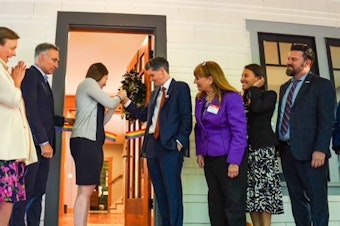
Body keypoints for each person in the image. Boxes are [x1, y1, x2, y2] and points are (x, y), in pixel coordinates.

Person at [121, 57, 192, 226]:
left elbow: (186, 118)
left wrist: (180, 142)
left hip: (170, 147)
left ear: (162, 71)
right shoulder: (154, 94)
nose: (151, 79)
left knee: (172, 192)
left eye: (152, 75)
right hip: (152, 147)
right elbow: (143, 115)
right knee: (160, 193)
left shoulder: (181, 88)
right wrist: (126, 101)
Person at [10, 43, 70, 226]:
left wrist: (64, 121)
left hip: (42, 149)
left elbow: (44, 114)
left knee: (37, 193)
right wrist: (44, 142)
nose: (57, 65)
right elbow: (31, 111)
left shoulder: (43, 80)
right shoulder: (30, 76)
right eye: (54, 60)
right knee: (24, 193)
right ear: (41, 57)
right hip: (34, 147)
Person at [276, 44, 335, 226]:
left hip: (311, 154)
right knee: (297, 202)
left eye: (294, 59)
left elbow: (327, 121)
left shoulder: (321, 85)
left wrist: (321, 149)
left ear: (307, 62)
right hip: (287, 152)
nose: (288, 62)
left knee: (317, 202)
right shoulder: (284, 87)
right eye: (288, 59)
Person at [70, 62, 125, 226]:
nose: (106, 83)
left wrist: (114, 106)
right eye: (106, 78)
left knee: (85, 189)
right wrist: (120, 97)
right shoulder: (88, 84)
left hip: (90, 142)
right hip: (85, 142)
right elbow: (110, 102)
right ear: (100, 75)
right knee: (86, 190)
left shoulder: (94, 92)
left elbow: (103, 120)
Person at [194, 61, 247, 226]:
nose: (195, 81)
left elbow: (239, 131)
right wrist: (200, 152)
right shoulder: (200, 99)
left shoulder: (231, 98)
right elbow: (199, 128)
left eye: (198, 78)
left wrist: (234, 161)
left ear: (210, 79)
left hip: (228, 158)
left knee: (233, 204)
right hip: (210, 158)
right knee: (215, 203)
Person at [0, 27, 37, 226]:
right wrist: (16, 82)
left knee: (8, 201)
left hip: (9, 150)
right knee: (5, 201)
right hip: (3, 150)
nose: (14, 53)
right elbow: (13, 99)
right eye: (11, 48)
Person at [241, 64, 283, 226]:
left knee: (264, 190)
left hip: (263, 149)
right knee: (251, 192)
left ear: (259, 79)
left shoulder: (269, 95)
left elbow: (257, 108)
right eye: (242, 76)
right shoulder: (242, 98)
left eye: (246, 76)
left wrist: (254, 89)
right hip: (246, 150)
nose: (242, 79)